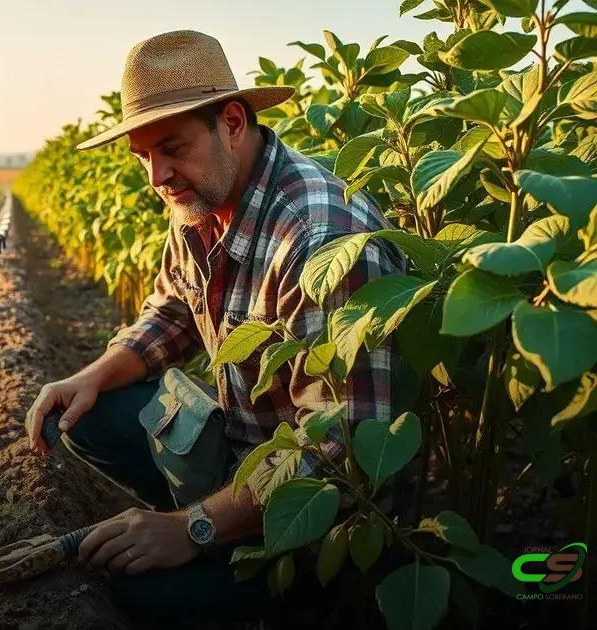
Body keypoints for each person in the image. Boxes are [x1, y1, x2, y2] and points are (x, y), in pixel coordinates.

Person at [24, 30, 407, 623]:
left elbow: (340, 455)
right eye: (143, 156)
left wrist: (191, 527)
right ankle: (209, 521)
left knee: (132, 595)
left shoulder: (319, 243)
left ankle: (289, 594)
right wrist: (91, 376)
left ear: (231, 123)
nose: (157, 175)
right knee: (86, 415)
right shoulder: (201, 197)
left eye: (171, 148)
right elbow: (172, 311)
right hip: (244, 452)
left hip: (318, 521)